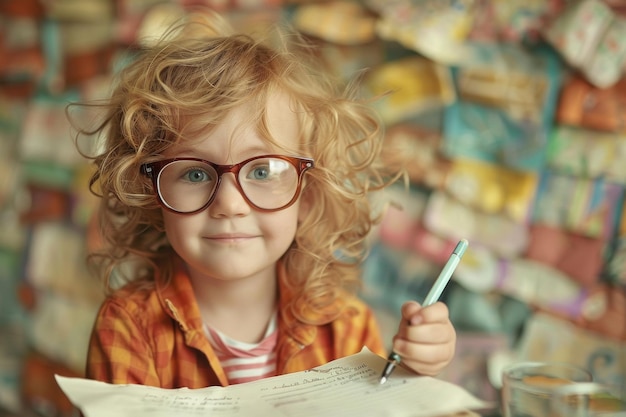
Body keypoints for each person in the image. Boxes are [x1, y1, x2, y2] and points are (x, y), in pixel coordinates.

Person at [75, 10, 456, 388]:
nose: (230, 204)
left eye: (263, 171)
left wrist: (412, 380)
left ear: (308, 193)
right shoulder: (128, 326)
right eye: (194, 173)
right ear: (151, 192)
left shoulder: (346, 326)